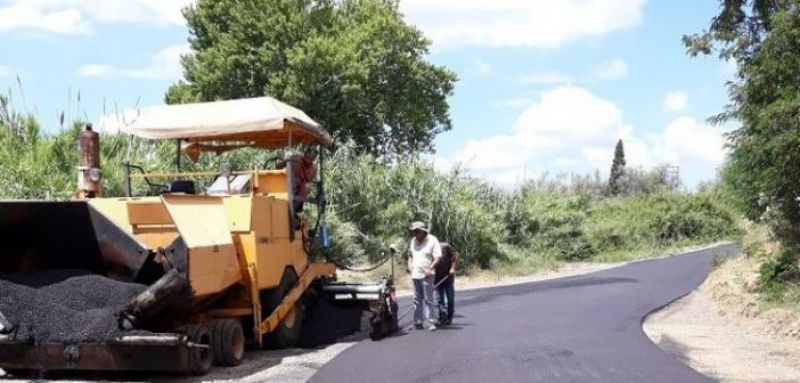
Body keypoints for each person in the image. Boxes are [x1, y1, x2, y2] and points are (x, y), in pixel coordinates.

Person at [407, 221, 441, 331]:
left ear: (423, 231)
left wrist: (430, 268)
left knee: (428, 299)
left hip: (427, 275)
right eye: (413, 232)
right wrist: (410, 265)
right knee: (416, 299)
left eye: (417, 231)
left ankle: (431, 322)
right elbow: (410, 255)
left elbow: (438, 258)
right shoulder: (413, 241)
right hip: (415, 275)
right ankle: (418, 321)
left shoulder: (432, 240)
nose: (415, 234)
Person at [435, 243, 458, 325]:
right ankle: (442, 318)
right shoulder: (428, 251)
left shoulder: (445, 247)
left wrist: (452, 268)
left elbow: (454, 258)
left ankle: (449, 317)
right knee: (440, 299)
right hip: (437, 279)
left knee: (450, 298)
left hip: (448, 277)